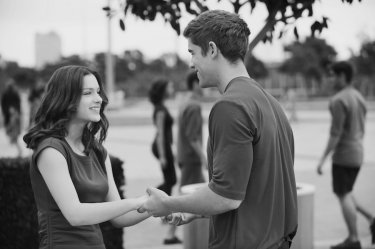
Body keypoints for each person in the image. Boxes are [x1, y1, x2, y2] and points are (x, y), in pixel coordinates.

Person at [140, 10, 298, 249]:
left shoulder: (230, 106)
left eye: (192, 52)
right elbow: (247, 185)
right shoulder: (271, 103)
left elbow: (226, 198)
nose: (191, 63)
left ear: (212, 50)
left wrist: (169, 203)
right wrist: (192, 211)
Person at [23, 65, 150, 249]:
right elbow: (75, 214)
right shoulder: (51, 150)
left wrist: (158, 206)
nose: (98, 99)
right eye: (88, 93)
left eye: (98, 92)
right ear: (66, 99)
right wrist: (136, 202)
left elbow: (120, 217)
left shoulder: (97, 151)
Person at [316, 61, 375, 249]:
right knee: (347, 192)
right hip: (358, 153)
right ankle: (371, 218)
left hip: (344, 156)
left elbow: (336, 134)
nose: (330, 78)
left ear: (342, 76)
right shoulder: (359, 96)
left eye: (332, 75)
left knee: (343, 195)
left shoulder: (339, 100)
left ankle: (353, 239)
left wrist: (323, 159)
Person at [148, 79, 180, 245]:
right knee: (171, 180)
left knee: (170, 180)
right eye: (170, 86)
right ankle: (150, 200)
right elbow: (160, 133)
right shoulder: (160, 109)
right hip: (161, 146)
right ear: (163, 90)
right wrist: (163, 155)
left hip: (165, 146)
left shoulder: (161, 106)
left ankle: (162, 211)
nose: (172, 88)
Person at [177, 71, 206, 188]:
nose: (205, 87)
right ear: (195, 84)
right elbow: (192, 137)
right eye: (202, 81)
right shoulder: (194, 106)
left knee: (198, 191)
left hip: (184, 154)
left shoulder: (184, 102)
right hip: (192, 158)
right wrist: (203, 157)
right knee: (187, 194)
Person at [1, 81, 23, 157]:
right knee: (9, 129)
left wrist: (15, 110)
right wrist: (8, 110)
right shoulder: (6, 94)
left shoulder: (14, 93)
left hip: (14, 115)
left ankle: (16, 144)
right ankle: (13, 140)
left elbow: (18, 103)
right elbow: (3, 104)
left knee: (13, 131)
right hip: (9, 115)